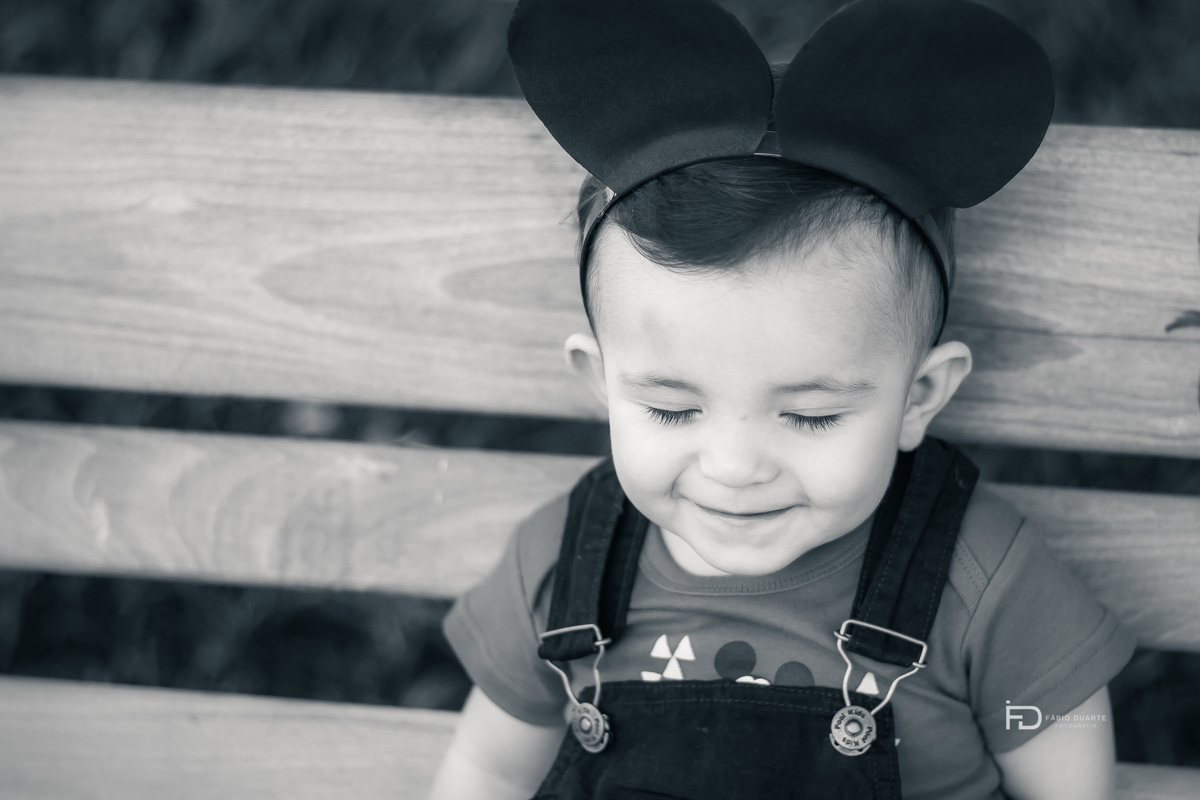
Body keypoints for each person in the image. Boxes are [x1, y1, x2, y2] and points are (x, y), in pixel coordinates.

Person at [429, 0, 1136, 797]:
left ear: (919, 397)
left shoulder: (986, 582)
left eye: (810, 416)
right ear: (601, 383)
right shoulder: (562, 567)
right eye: (671, 409)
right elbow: (490, 770)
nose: (734, 468)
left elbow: (1073, 784)